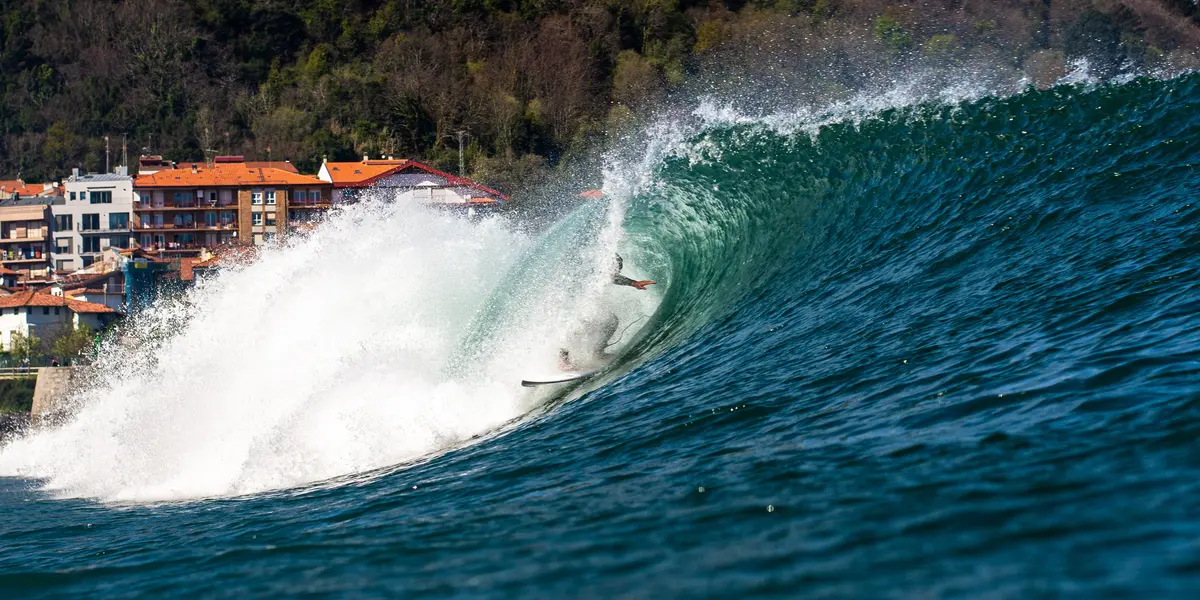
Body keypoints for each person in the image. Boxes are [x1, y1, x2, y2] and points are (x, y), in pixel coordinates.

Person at [559, 255, 655, 370]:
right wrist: (633, 283)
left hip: (583, 307)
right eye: (615, 269)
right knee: (577, 326)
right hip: (569, 307)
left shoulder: (600, 274)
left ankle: (598, 353)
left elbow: (612, 278)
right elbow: (611, 277)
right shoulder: (591, 271)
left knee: (611, 321)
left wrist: (634, 283)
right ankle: (563, 360)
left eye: (618, 270)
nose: (616, 273)